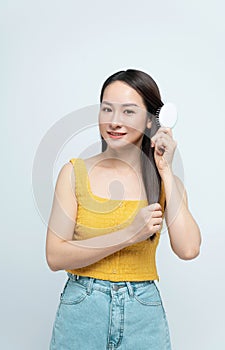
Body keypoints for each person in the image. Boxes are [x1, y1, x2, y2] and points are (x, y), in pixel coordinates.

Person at [46, 69, 201, 350]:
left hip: (143, 311)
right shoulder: (73, 173)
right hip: (82, 308)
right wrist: (128, 234)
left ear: (151, 120)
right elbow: (55, 256)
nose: (114, 121)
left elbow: (189, 249)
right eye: (107, 109)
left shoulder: (166, 182)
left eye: (128, 112)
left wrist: (166, 171)